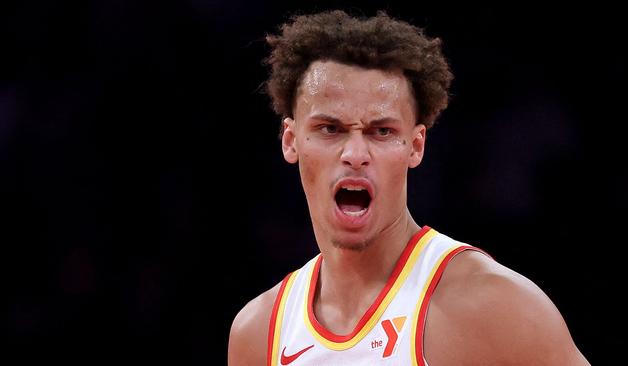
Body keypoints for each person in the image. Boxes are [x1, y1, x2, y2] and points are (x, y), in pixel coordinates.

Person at [229, 10, 589, 365]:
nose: (355, 154)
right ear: (291, 141)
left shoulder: (494, 306)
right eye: (330, 129)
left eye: (381, 131)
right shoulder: (259, 333)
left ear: (416, 146)